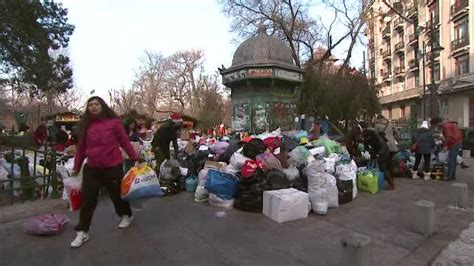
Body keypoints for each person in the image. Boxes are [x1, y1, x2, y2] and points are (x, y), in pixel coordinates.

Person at [70, 96, 139, 248]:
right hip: (92, 169)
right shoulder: (86, 126)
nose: (93, 107)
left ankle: (126, 215)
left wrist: (135, 158)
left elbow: (124, 142)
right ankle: (82, 232)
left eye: (96, 104)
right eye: (90, 105)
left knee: (117, 196)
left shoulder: (114, 123)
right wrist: (76, 166)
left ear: (102, 106)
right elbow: (81, 148)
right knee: (87, 200)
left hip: (112, 167)